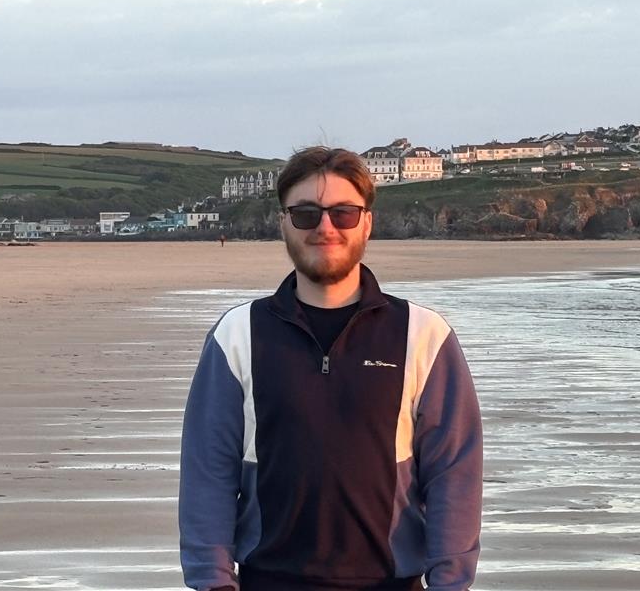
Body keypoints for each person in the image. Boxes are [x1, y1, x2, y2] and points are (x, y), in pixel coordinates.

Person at [179, 147, 482, 591]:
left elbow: (453, 473)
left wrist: (451, 583)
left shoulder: (424, 335)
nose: (325, 228)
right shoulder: (237, 335)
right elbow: (208, 472)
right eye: (305, 214)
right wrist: (213, 582)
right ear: (283, 223)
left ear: (367, 222)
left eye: (343, 213)